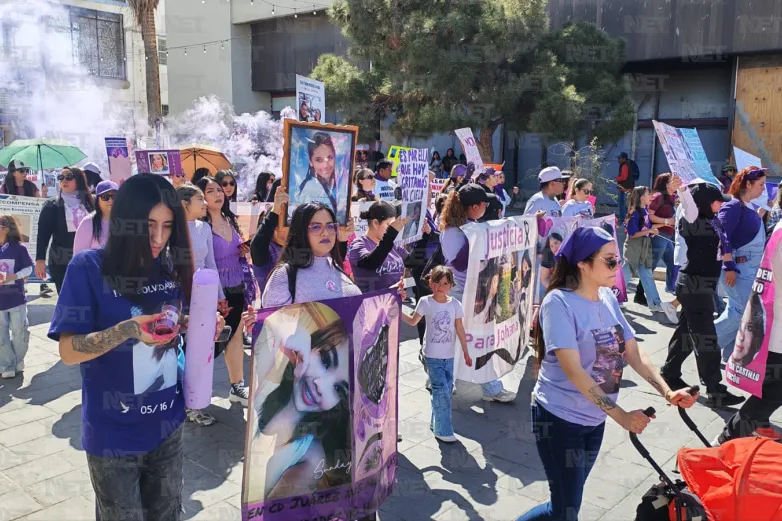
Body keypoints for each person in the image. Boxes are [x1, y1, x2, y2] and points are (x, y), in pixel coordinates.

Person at [48, 174, 224, 520]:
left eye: (167, 226)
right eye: (148, 226)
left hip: (168, 425)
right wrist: (127, 330)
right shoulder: (88, 268)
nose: (159, 238)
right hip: (113, 433)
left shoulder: (169, 269)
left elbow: (169, 328)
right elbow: (68, 351)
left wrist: (197, 327)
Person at [516, 226, 698, 521]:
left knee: (563, 505)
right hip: (559, 419)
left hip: (594, 419)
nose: (618, 267)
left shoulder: (607, 297)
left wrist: (667, 392)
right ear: (582, 264)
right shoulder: (558, 303)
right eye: (610, 261)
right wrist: (621, 416)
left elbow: (633, 352)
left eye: (618, 260)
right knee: (566, 510)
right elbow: (574, 370)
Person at [660, 182, 745, 408]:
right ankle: (715, 390)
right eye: (717, 201)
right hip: (694, 287)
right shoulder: (693, 221)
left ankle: (669, 372)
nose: (721, 204)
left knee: (686, 333)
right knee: (707, 339)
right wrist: (682, 190)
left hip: (699, 286)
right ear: (705, 203)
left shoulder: (712, 221)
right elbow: (690, 205)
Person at [439, 184, 515, 403]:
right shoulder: (452, 232)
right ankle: (446, 381)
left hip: (478, 292)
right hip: (460, 293)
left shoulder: (471, 227)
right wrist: (477, 238)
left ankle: (486, 387)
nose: (486, 208)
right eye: (484, 204)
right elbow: (460, 263)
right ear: (474, 207)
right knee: (461, 341)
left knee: (476, 341)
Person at [716, 241, 782, 442]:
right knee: (772, 393)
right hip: (776, 332)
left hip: (773, 328)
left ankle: (753, 427)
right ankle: (725, 440)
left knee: (770, 392)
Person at [196, 176, 251, 405]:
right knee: (209, 341)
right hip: (214, 291)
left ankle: (237, 386)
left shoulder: (230, 219)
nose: (218, 194)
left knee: (236, 335)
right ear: (201, 197)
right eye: (210, 191)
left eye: (219, 190)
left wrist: (242, 250)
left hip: (237, 284)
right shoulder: (200, 226)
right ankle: (194, 391)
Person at [401, 266, 471, 443]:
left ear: (451, 285)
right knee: (441, 391)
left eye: (445, 284)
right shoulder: (425, 302)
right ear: (430, 283)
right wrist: (396, 309)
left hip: (449, 355)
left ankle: (435, 422)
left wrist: (465, 350)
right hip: (431, 356)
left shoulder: (455, 304)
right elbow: (413, 321)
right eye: (437, 283)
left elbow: (460, 328)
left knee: (445, 390)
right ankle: (443, 430)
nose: (441, 287)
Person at [178, 182, 227, 426]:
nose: (205, 203)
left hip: (202, 297)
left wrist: (219, 295)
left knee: (199, 351)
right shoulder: (171, 229)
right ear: (184, 203)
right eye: (200, 199)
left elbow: (210, 263)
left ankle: (194, 403)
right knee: (178, 351)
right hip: (177, 298)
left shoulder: (204, 228)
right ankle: (179, 401)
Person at [261, 202, 361, 307]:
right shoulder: (284, 275)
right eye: (316, 227)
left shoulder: (335, 267)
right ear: (301, 232)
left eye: (330, 226)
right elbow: (272, 317)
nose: (325, 233)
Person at [716, 167, 767, 360]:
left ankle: (730, 356)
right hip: (738, 269)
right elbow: (722, 235)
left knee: (741, 312)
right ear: (748, 184)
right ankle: (706, 345)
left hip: (748, 269)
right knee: (740, 312)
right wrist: (728, 265)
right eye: (761, 184)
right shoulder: (733, 205)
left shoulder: (747, 206)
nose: (764, 189)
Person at [621, 186, 677, 322]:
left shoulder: (644, 210)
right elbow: (632, 234)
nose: (651, 196)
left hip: (643, 247)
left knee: (647, 274)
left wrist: (659, 227)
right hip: (634, 247)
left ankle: (655, 303)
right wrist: (649, 231)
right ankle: (614, 297)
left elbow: (648, 227)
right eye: (648, 194)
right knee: (626, 272)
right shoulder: (635, 213)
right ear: (642, 198)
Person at [35, 167, 95, 293]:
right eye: (61, 177)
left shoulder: (91, 202)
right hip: (61, 261)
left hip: (89, 259)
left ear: (79, 179)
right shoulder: (52, 204)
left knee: (89, 297)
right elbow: (43, 234)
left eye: (69, 177)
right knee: (68, 297)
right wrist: (40, 260)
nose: (64, 180)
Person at [348, 201, 412, 293]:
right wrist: (390, 234)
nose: (394, 229)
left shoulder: (392, 244)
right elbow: (370, 263)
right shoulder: (359, 244)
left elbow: (412, 262)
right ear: (375, 223)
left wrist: (425, 236)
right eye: (389, 225)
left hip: (393, 301)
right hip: (370, 301)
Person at [0, 215, 33, 379]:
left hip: (16, 299)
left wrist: (13, 276)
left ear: (5, 229)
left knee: (20, 332)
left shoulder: (20, 248)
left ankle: (18, 360)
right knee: (1, 334)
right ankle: (6, 365)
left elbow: (28, 269)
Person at [295, 132, 347, 222]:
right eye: (319, 160)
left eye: (330, 157)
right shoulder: (311, 188)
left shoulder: (335, 185)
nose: (325, 165)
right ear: (311, 162)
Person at [250, 189, 290, 296]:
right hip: (273, 305)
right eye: (280, 225)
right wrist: (275, 210)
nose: (286, 230)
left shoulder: (296, 248)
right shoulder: (267, 251)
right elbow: (257, 245)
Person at [648, 173, 681, 295]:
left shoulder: (674, 197)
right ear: (667, 184)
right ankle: (641, 291)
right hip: (658, 235)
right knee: (651, 265)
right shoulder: (658, 197)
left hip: (668, 235)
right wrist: (666, 221)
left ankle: (671, 287)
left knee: (672, 263)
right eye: (674, 180)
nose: (677, 183)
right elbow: (649, 215)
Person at [73, 180, 117, 254]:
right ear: (97, 200)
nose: (110, 200)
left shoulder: (125, 220)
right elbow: (79, 256)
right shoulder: (88, 223)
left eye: (114, 196)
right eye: (105, 197)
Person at [615, 152, 637, 222]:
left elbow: (624, 177)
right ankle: (627, 220)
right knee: (627, 205)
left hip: (625, 189)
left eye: (619, 158)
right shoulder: (628, 164)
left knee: (623, 205)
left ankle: (623, 220)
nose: (618, 160)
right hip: (628, 188)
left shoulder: (624, 166)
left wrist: (617, 178)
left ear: (624, 159)